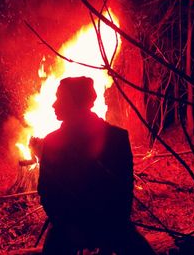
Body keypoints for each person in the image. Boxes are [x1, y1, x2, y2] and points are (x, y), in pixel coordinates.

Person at [38, 76, 156, 255]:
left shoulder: (116, 139)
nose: (54, 105)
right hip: (72, 225)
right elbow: (48, 193)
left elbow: (123, 191)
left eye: (60, 98)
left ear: (77, 102)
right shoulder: (53, 141)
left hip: (107, 224)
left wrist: (107, 232)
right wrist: (70, 228)